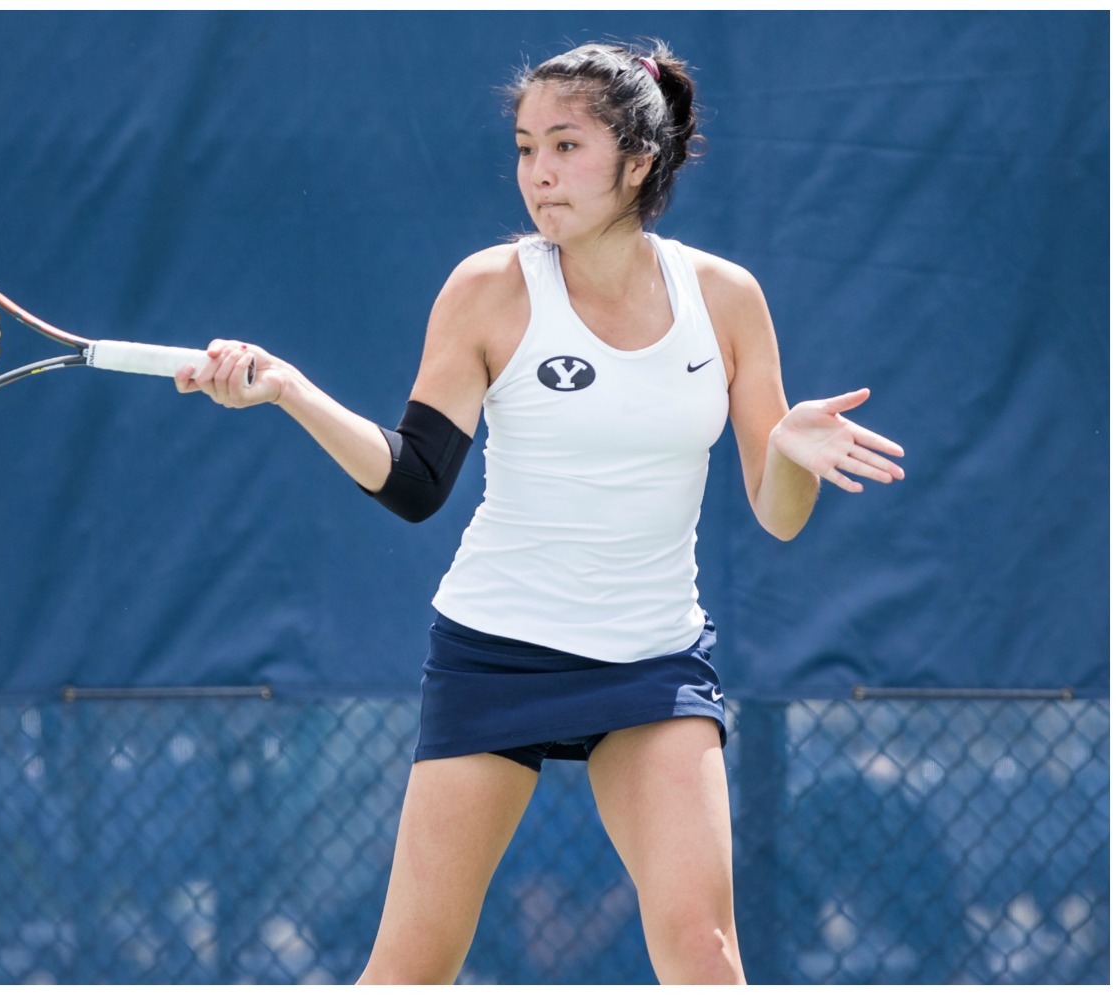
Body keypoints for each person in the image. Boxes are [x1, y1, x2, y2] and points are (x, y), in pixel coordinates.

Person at [175, 40, 904, 985]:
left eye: (565, 146)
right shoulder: (487, 290)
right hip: (496, 653)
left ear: (639, 160)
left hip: (653, 663)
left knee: (706, 953)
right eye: (525, 149)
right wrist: (289, 391)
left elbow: (778, 515)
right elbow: (413, 482)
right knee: (411, 968)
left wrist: (792, 452)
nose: (538, 174)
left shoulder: (724, 300)